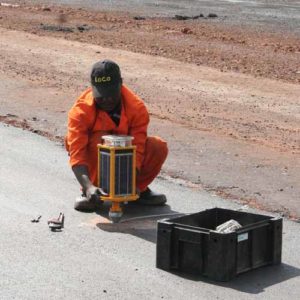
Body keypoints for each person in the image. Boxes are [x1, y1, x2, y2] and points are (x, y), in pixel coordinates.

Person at [65, 59, 168, 211]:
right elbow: (77, 153)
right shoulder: (80, 111)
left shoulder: (137, 108)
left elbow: (138, 149)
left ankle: (137, 190)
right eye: (101, 95)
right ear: (92, 88)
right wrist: (88, 187)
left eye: (111, 94)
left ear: (121, 83)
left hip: (127, 164)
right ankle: (93, 192)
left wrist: (128, 186)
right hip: (95, 164)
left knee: (157, 146)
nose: (106, 99)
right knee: (98, 140)